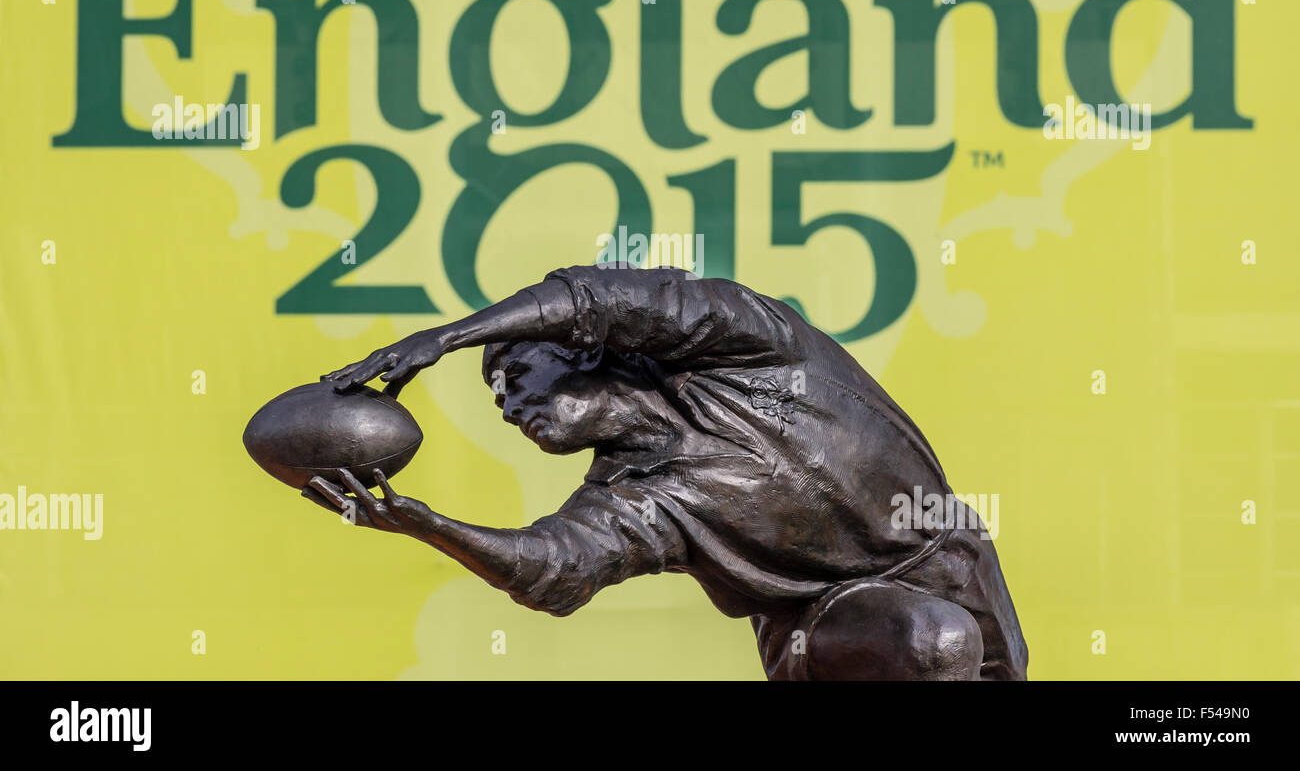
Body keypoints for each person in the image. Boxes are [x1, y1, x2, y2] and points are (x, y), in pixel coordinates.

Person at [305, 264, 1029, 680]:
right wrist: (426, 524)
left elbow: (612, 298)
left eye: (515, 376)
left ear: (581, 352)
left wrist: (449, 337)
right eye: (496, 395)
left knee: (965, 648)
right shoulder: (638, 497)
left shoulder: (754, 347)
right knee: (933, 642)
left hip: (951, 561)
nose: (505, 405)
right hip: (831, 625)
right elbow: (555, 570)